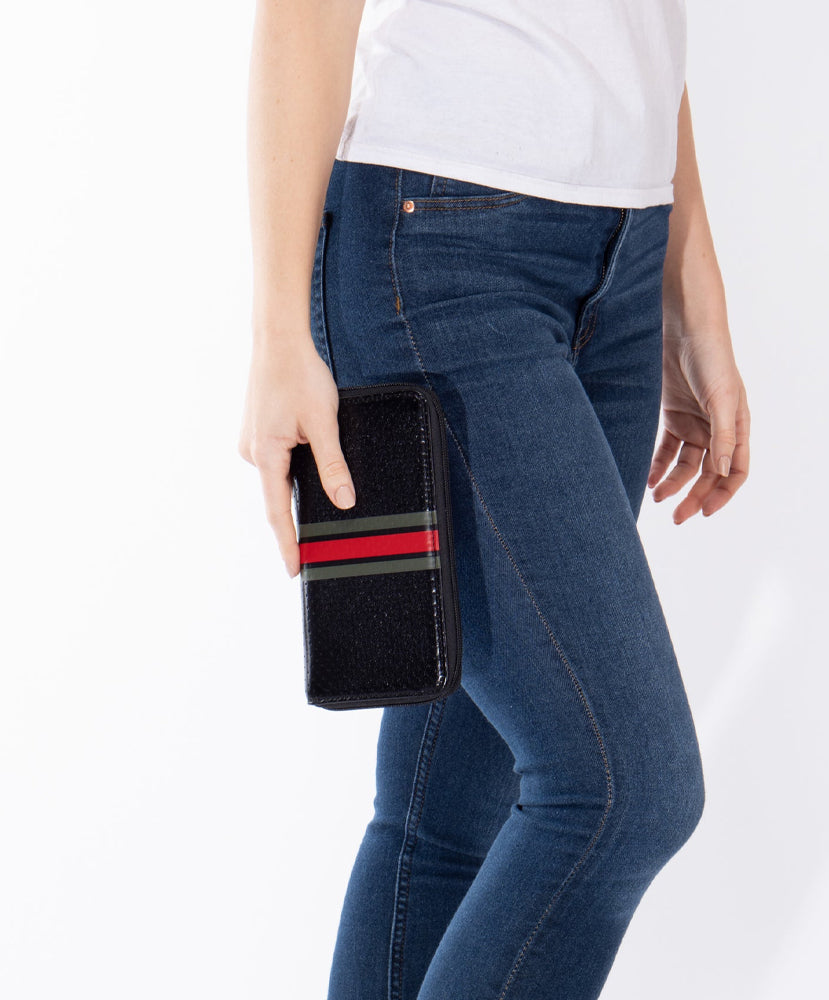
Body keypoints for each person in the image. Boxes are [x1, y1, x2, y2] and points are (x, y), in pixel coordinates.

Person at [238, 1, 750, 997]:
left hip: (622, 259)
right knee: (620, 791)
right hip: (436, 250)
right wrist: (276, 334)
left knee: (448, 814)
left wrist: (692, 296)